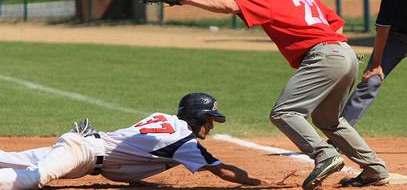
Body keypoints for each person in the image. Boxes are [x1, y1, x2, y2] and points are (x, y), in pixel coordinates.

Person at [180, 0, 389, 189]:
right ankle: (375, 169)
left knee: (284, 112)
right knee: (328, 119)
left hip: (325, 56)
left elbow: (227, 5)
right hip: (345, 54)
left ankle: (325, 155)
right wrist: (336, 52)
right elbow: (336, 24)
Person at [0, 93, 272, 189]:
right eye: (209, 118)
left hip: (84, 156)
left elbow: (136, 152)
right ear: (197, 116)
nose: (211, 125)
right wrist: (262, 183)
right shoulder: (185, 143)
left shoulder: (163, 119)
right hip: (82, 151)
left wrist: (137, 178)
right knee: (34, 179)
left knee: (12, 159)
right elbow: (222, 170)